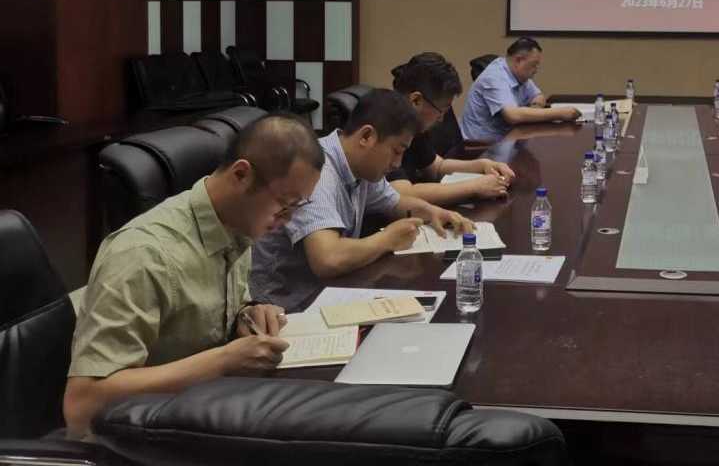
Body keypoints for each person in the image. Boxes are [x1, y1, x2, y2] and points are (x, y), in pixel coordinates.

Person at [63, 113, 324, 436]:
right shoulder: (143, 255)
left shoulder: (238, 225)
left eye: (298, 207)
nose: (287, 220)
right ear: (241, 174)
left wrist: (247, 314)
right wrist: (223, 361)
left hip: (200, 413)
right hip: (137, 437)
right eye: (285, 205)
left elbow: (209, 316)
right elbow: (82, 405)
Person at [249, 89, 474, 311]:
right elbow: (328, 258)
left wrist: (433, 212)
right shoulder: (317, 171)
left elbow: (396, 203)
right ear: (366, 136)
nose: (397, 163)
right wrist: (388, 239)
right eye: (397, 151)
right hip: (283, 309)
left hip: (329, 293)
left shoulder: (360, 167)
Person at [389, 52, 516, 205]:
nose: (442, 119)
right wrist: (473, 187)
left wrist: (483, 165)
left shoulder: (413, 124)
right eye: (441, 110)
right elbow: (402, 194)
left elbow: (436, 168)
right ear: (416, 100)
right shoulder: (387, 126)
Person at [459, 37, 580, 140]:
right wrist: (561, 113)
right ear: (518, 60)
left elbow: (538, 96)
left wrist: (535, 108)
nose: (536, 69)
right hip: (481, 146)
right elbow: (513, 116)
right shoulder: (494, 77)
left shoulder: (519, 75)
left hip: (507, 137)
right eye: (534, 64)